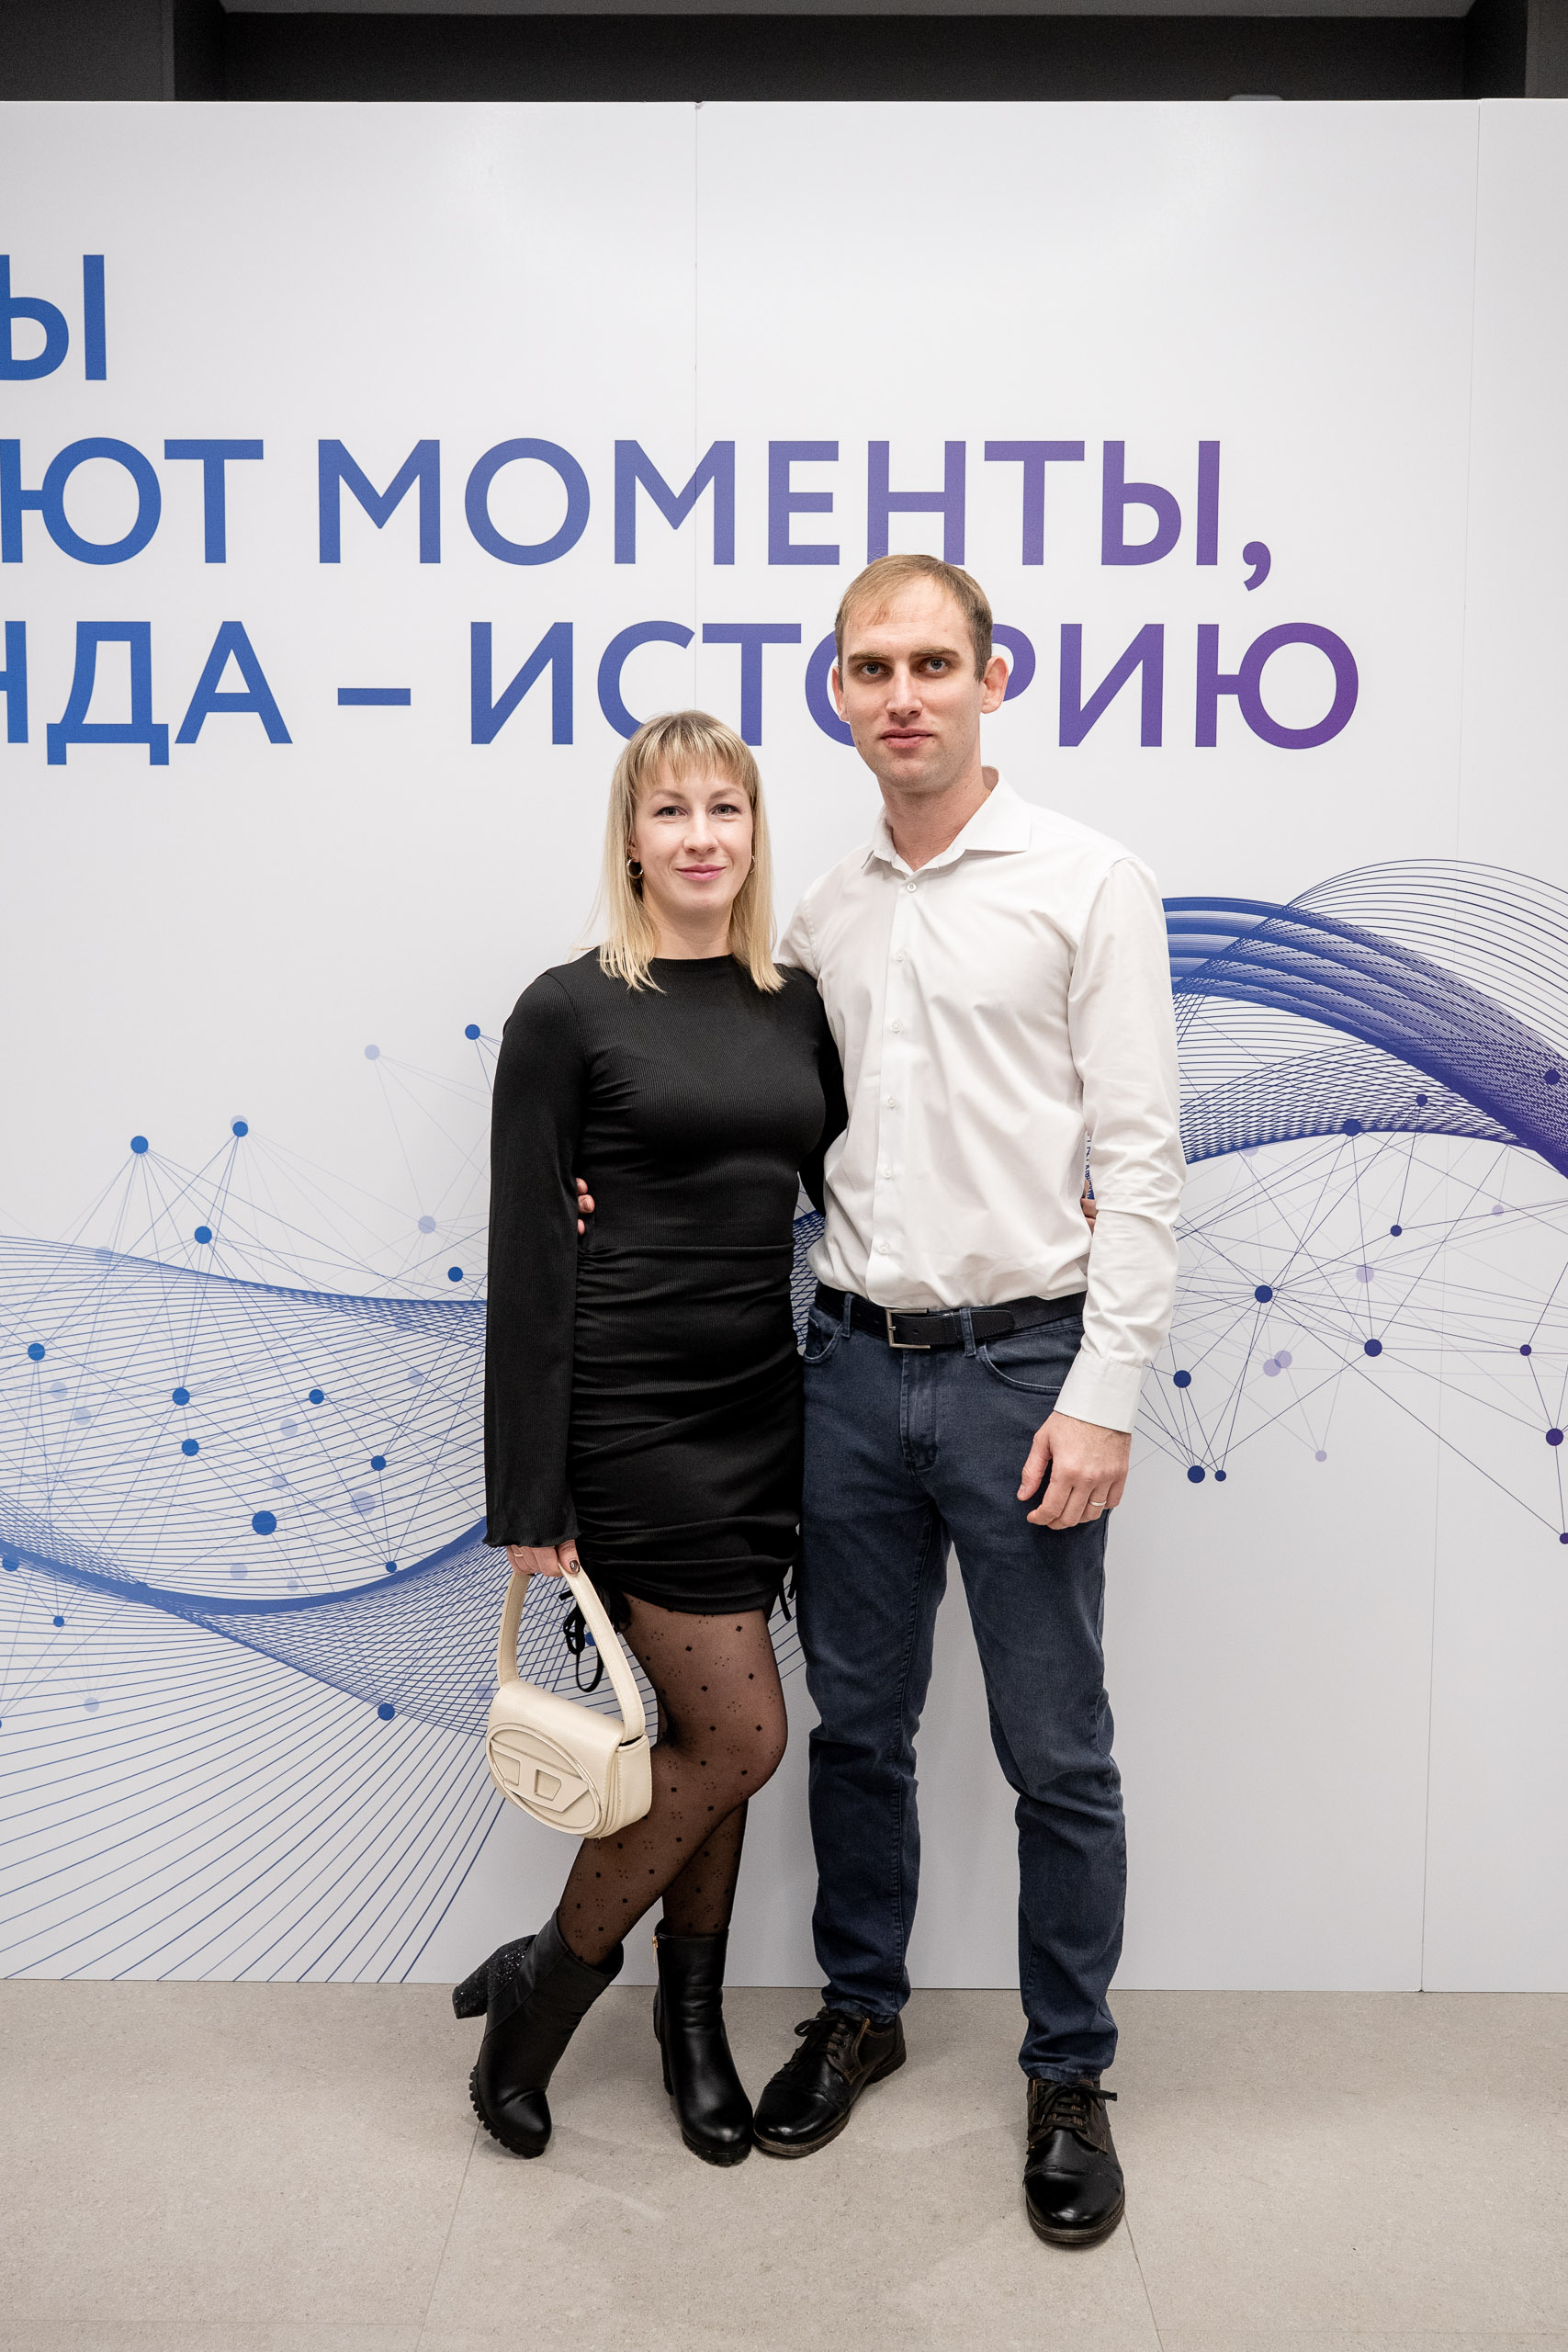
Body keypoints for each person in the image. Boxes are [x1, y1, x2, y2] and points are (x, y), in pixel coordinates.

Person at [750, 554, 1185, 2249]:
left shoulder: (1088, 882)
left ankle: (1069, 2073)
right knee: (859, 1733)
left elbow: (1141, 1163)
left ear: (994, 679)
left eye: (933, 663)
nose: (903, 695)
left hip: (1025, 1375)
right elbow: (748, 1108)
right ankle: (861, 2008)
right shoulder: (821, 911)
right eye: (872, 668)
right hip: (850, 1372)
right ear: (839, 694)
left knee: (1055, 1752)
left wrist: (1106, 1394)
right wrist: (600, 1174)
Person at [456, 710, 844, 2168]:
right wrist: (529, 1492)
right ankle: (545, 1989)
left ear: (754, 831)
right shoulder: (568, 1010)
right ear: (630, 837)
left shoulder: (797, 1006)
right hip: (631, 1421)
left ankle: (693, 2033)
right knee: (744, 1737)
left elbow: (870, 1174)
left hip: (763, 1408)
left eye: (724, 809)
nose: (700, 836)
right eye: (670, 810)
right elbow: (526, 1256)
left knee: (702, 1740)